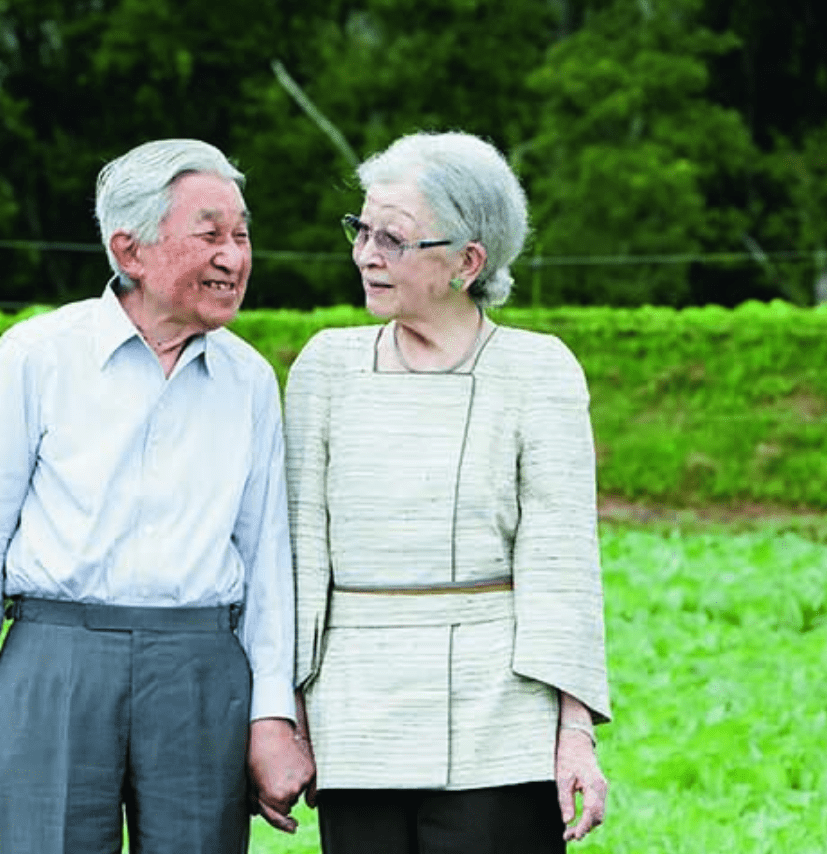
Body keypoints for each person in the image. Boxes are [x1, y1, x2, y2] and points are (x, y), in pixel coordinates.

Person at [0, 138, 314, 854]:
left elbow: (268, 561)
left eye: (241, 235)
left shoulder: (251, 380)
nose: (234, 257)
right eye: (209, 235)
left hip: (200, 666)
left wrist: (272, 717)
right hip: (57, 657)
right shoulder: (36, 355)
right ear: (130, 250)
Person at [284, 131, 612, 854]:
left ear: (469, 261)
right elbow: (300, 560)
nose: (366, 254)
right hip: (357, 718)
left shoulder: (538, 372)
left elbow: (562, 565)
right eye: (361, 229)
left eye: (393, 238)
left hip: (502, 721)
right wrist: (287, 717)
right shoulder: (325, 369)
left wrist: (574, 733)